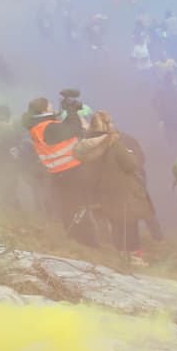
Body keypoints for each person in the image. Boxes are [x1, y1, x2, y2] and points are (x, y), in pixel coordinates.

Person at [71, 110, 155, 265]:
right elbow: (131, 165)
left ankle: (120, 253)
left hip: (101, 192)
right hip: (120, 190)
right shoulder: (113, 144)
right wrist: (129, 154)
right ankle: (135, 257)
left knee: (115, 222)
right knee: (129, 223)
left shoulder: (86, 145)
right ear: (108, 125)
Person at [24, 95, 86, 230]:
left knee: (67, 204)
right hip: (70, 169)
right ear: (44, 109)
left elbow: (64, 130)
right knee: (76, 205)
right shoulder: (48, 127)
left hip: (57, 171)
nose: (52, 106)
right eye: (49, 104)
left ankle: (71, 232)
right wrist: (72, 111)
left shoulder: (38, 127)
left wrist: (68, 112)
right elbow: (74, 129)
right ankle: (81, 235)